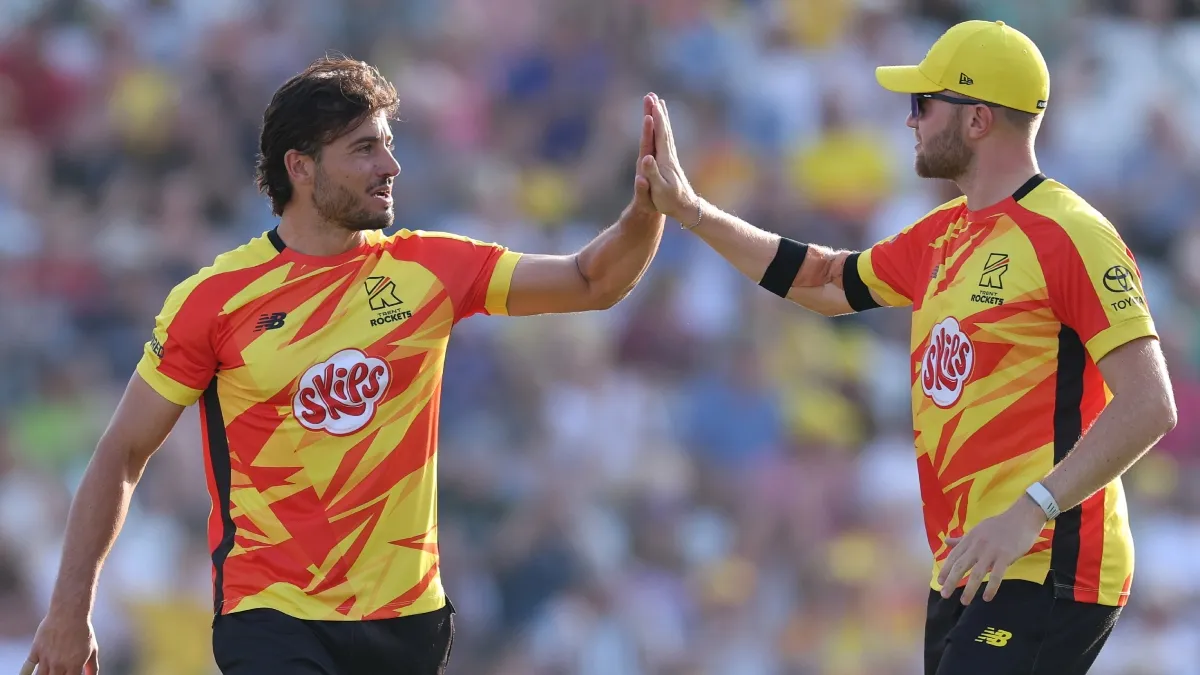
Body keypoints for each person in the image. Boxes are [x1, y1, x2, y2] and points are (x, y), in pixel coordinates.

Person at [22, 56, 666, 675]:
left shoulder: (430, 268)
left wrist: (646, 208)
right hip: (273, 615)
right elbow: (121, 454)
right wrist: (69, 611)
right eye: (364, 149)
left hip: (407, 620)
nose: (391, 165)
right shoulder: (215, 300)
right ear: (299, 167)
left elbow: (590, 282)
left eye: (387, 144)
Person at [638, 19, 1177, 675]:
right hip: (968, 565)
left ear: (977, 120)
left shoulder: (1071, 234)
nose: (909, 120)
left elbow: (1150, 404)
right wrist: (693, 211)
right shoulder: (942, 233)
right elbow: (826, 280)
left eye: (923, 103)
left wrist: (1030, 510)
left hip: (1047, 560)